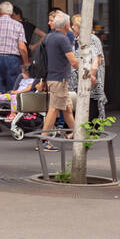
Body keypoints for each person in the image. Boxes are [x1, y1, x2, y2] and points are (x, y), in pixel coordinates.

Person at [40, 12, 80, 148]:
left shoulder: (48, 37)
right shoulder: (62, 39)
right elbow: (73, 61)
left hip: (53, 77)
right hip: (59, 79)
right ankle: (43, 140)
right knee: (54, 109)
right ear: (67, 25)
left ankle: (79, 135)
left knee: (68, 108)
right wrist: (87, 71)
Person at [0, 1, 28, 114]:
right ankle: (12, 114)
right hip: (12, 60)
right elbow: (22, 47)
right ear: (12, 13)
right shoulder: (18, 25)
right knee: (14, 90)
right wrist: (25, 63)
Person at [70, 14, 106, 119]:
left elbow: (97, 60)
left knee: (92, 101)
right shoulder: (75, 39)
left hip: (91, 76)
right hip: (78, 77)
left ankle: (93, 128)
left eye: (74, 25)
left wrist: (91, 75)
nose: (72, 27)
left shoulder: (92, 39)